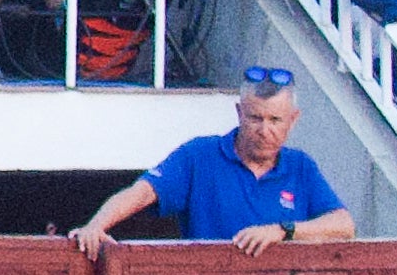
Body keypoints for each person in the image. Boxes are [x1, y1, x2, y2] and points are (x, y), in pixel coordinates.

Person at [83, 64, 354, 242]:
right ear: (239, 113)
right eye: (255, 118)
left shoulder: (301, 166)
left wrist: (282, 231)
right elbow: (142, 192)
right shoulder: (200, 155)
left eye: (275, 120)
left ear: (293, 120)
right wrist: (96, 226)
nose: (264, 130)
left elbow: (343, 226)